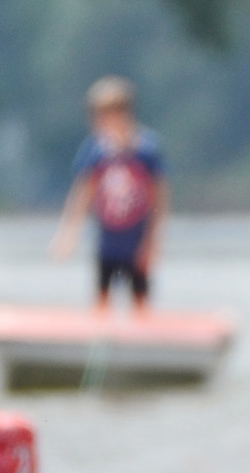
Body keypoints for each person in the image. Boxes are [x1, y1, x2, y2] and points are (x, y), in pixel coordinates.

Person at [50, 76, 168, 311]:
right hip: (107, 243)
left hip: (137, 241)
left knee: (140, 301)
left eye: (103, 115)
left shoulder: (146, 150)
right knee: (101, 299)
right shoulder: (96, 150)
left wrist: (153, 241)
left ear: (123, 113)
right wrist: (67, 234)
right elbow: (83, 194)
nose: (97, 122)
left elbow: (160, 199)